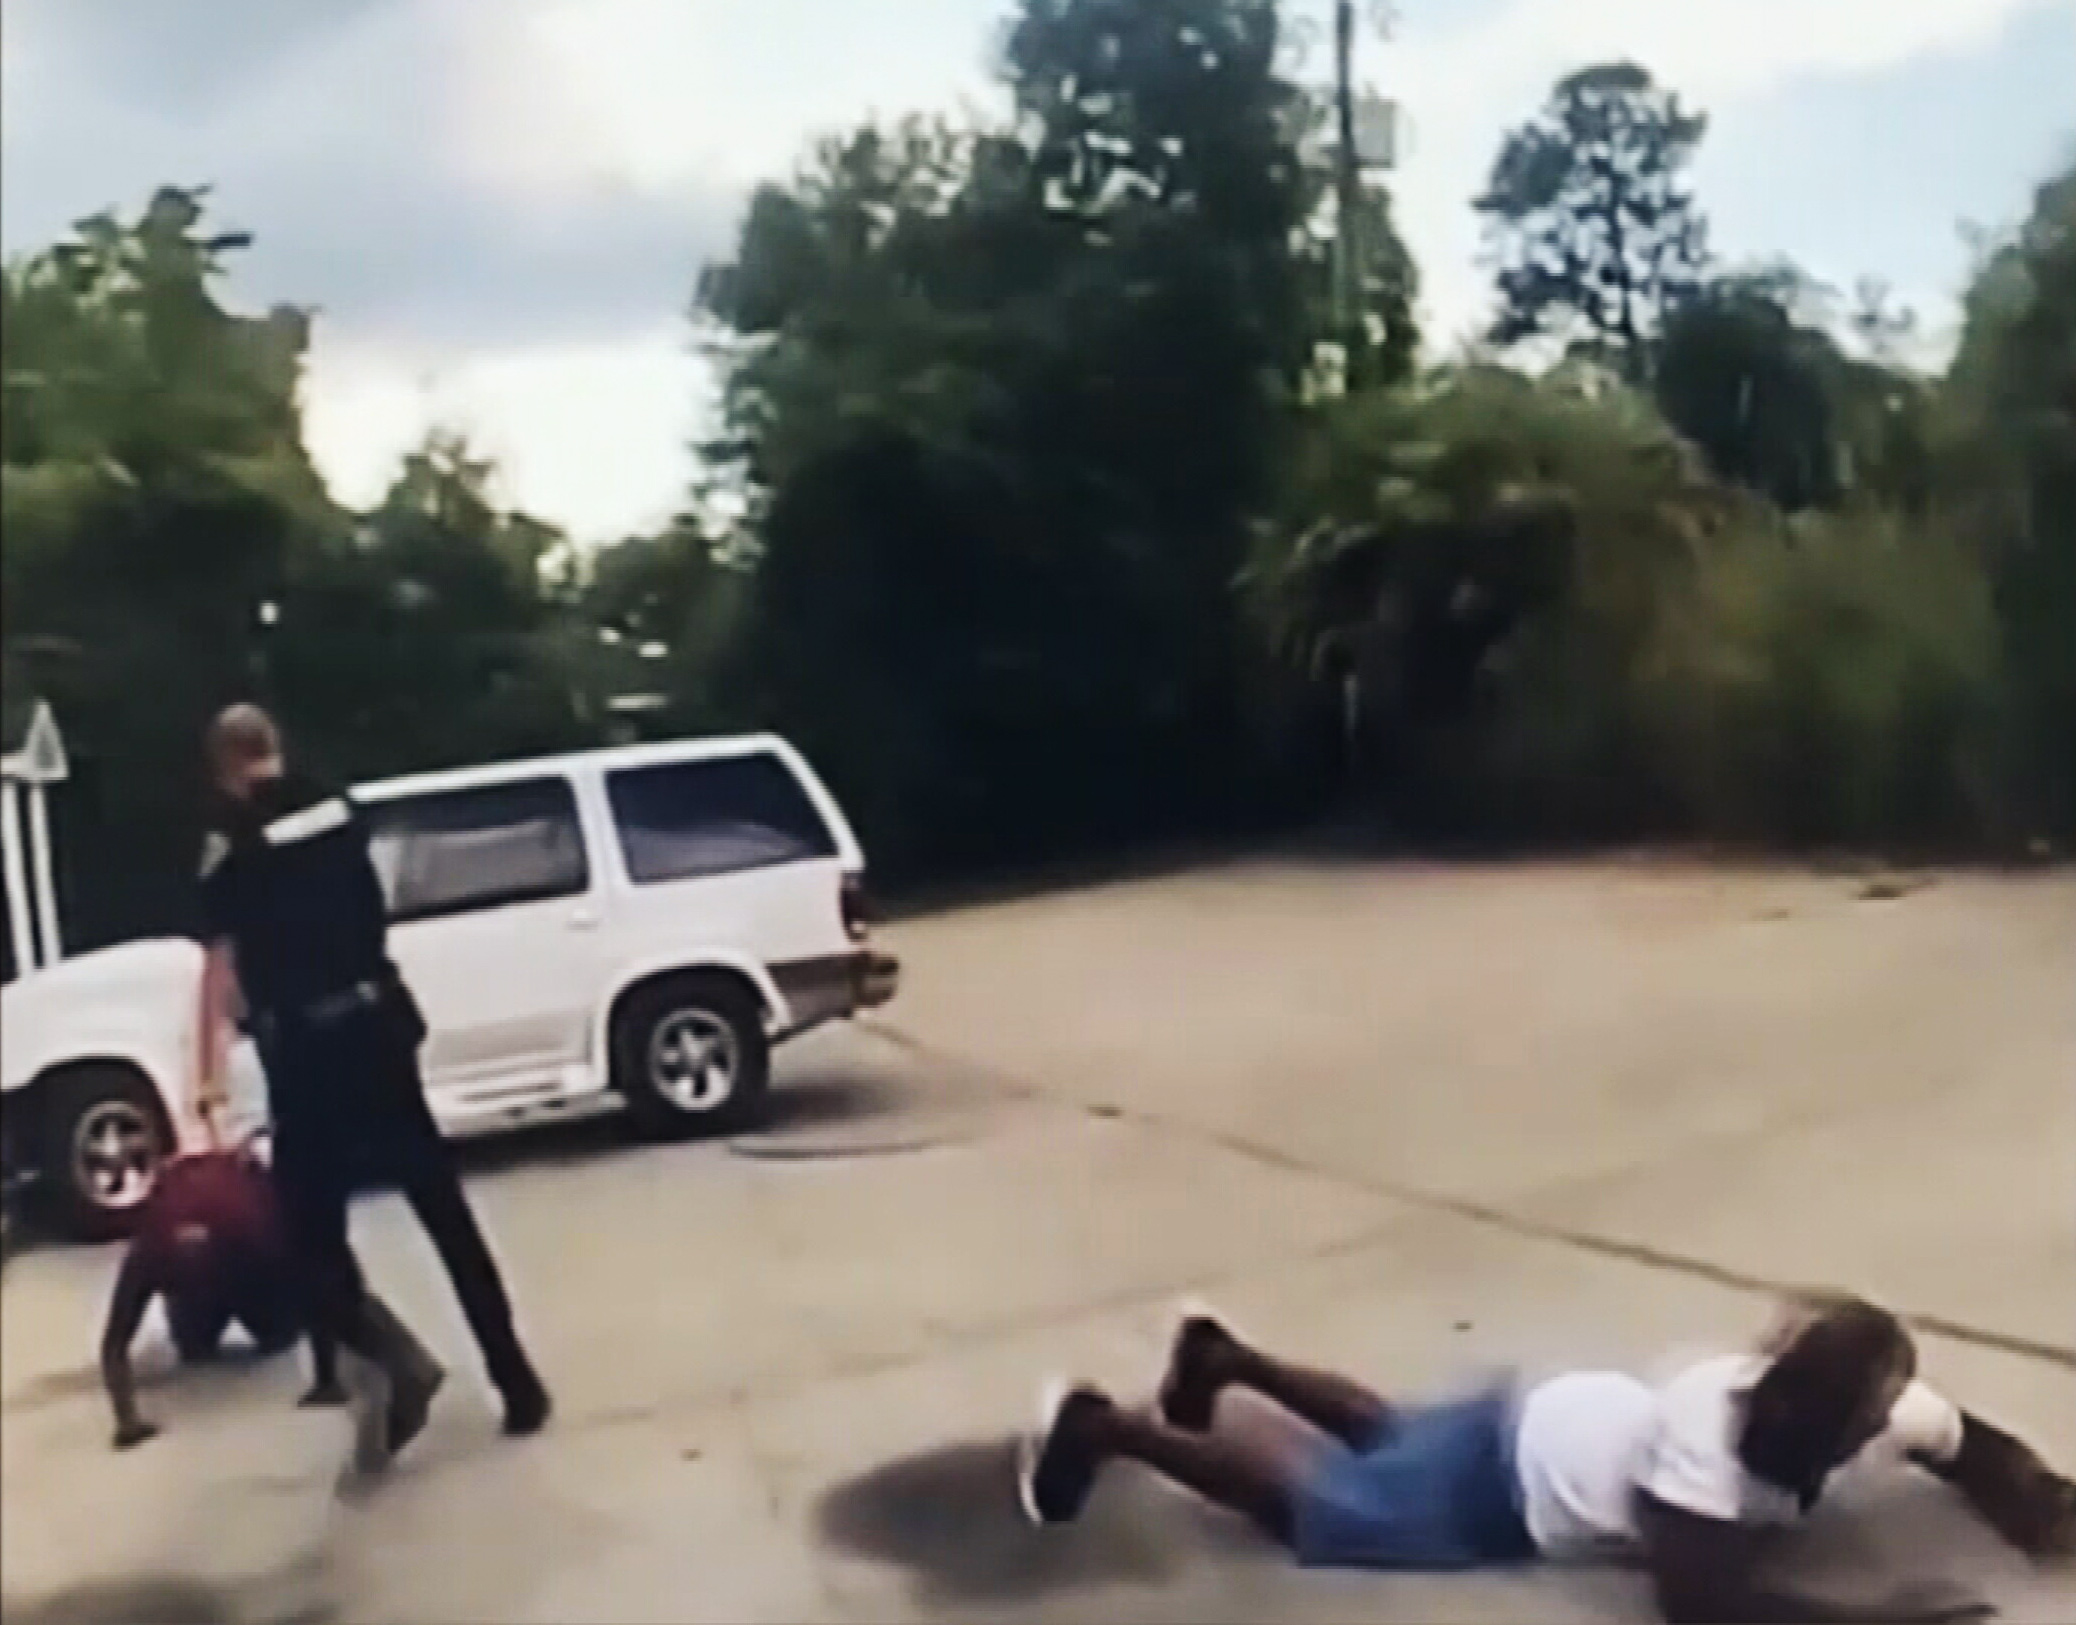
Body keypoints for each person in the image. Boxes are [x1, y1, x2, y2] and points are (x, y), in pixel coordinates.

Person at [1019, 1297, 2076, 1624]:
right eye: (1862, 1423)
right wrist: (1877, 1622)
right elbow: (1705, 1607)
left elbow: (1975, 1446)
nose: (1878, 1434)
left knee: (1392, 1435)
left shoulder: (1883, 1407)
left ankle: (1223, 1357)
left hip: (1546, 1414)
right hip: (1512, 1484)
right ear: (1819, 1415)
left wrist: (2036, 1502)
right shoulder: (1707, 1439)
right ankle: (1105, 1427)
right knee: (1322, 1510)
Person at [192, 703, 551, 1476]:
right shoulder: (338, 805)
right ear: (276, 747)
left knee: (304, 1242)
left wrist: (210, 1076)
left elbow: (223, 971)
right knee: (443, 1212)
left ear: (224, 765)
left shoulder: (232, 838)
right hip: (380, 1032)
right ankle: (516, 1378)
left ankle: (396, 1361)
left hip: (309, 1058)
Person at [101, 1139, 345, 1451]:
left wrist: (126, 1422)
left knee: (274, 1333)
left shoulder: (247, 1231)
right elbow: (115, 1341)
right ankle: (221, 1311)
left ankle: (233, 1311)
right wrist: (328, 1382)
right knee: (201, 1344)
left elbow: (115, 1341)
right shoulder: (155, 1247)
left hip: (247, 1274)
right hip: (232, 1271)